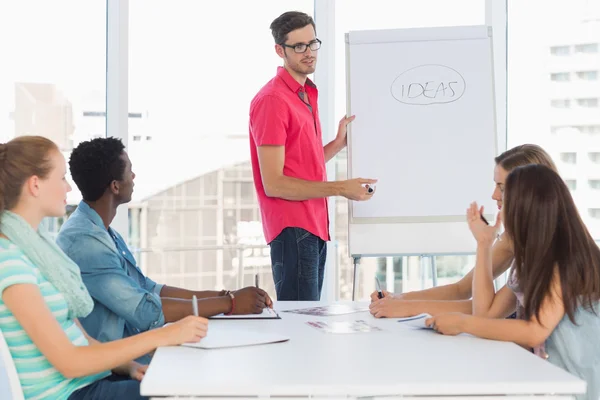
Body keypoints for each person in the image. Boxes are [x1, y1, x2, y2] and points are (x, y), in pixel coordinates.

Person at [0, 136, 207, 400]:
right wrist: (163, 336)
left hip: (88, 385)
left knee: (183, 383)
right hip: (73, 394)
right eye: (62, 178)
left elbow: (82, 340)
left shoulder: (39, 253)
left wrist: (130, 366)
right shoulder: (11, 262)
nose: (69, 188)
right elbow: (69, 361)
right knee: (186, 391)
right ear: (35, 185)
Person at [56, 138, 270, 363]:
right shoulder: (85, 240)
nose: (134, 176)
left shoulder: (101, 231)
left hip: (132, 355)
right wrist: (231, 304)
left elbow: (148, 288)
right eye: (130, 170)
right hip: (114, 367)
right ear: (115, 186)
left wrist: (223, 296)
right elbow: (144, 311)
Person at [426, 164, 600, 400]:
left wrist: (462, 323)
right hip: (559, 380)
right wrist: (484, 245)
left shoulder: (563, 259)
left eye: (505, 200)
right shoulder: (532, 259)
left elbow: (535, 331)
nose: (500, 205)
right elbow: (486, 314)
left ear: (525, 208)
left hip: (583, 383)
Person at [249, 11, 376, 301]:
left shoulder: (305, 94)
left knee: (308, 319)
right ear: (280, 50)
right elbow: (275, 183)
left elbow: (301, 163)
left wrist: (337, 144)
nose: (309, 53)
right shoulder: (272, 100)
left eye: (312, 43)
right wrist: (341, 188)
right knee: (300, 325)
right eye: (299, 47)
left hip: (314, 225)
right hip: (293, 228)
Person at [369, 144, 558, 317]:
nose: (494, 195)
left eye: (501, 187)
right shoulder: (514, 238)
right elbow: (462, 289)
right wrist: (399, 299)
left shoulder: (549, 246)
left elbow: (485, 311)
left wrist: (408, 308)